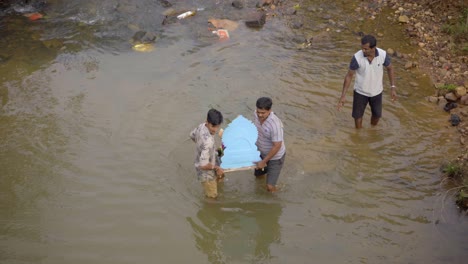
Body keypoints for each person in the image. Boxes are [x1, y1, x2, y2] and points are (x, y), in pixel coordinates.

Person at [337, 34, 397, 129]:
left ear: (373, 48)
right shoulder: (357, 58)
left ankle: (372, 130)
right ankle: (358, 135)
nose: (363, 51)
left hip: (377, 92)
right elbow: (349, 76)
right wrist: (343, 96)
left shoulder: (382, 55)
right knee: (357, 117)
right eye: (362, 48)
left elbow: (390, 68)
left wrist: (393, 87)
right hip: (360, 92)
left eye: (366, 49)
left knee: (377, 115)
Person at [190, 109, 225, 199]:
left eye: (217, 126)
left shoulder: (201, 126)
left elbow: (192, 135)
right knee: (212, 198)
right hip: (207, 174)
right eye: (213, 126)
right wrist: (217, 168)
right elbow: (203, 165)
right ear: (207, 121)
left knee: (220, 180)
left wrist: (203, 148)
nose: (215, 130)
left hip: (206, 159)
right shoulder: (208, 141)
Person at [253, 97, 286, 192]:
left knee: (270, 187)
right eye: (258, 111)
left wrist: (264, 161)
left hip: (275, 157)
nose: (260, 115)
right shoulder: (255, 115)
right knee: (258, 176)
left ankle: (275, 196)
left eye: (263, 113)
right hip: (261, 152)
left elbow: (277, 146)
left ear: (269, 111)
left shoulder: (275, 125)